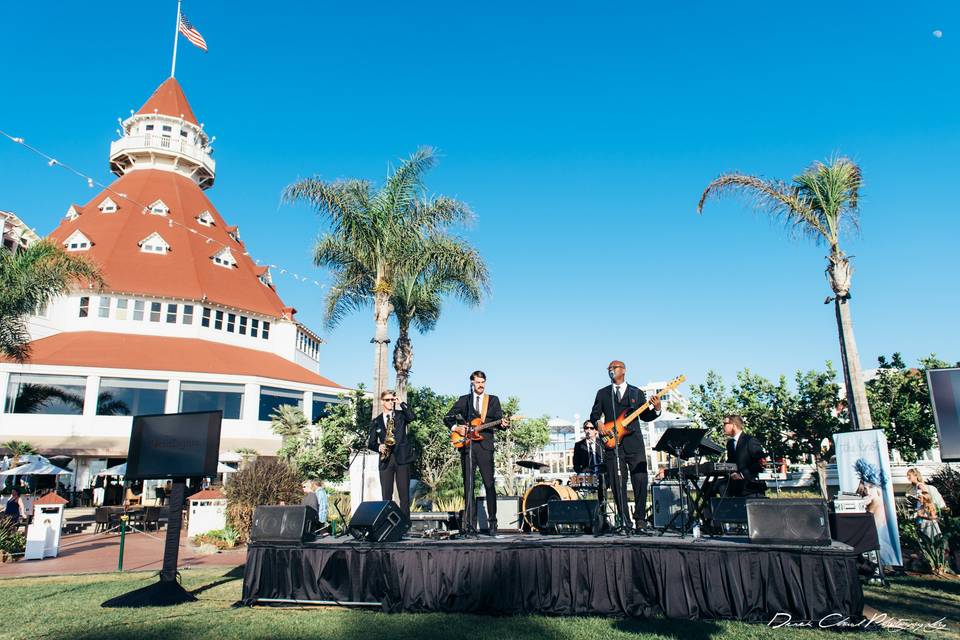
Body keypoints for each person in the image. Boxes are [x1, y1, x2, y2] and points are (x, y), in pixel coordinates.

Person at [590, 360, 660, 531]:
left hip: (634, 443)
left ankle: (640, 520)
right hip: (613, 443)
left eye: (614, 368)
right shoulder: (602, 393)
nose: (611, 370)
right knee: (617, 482)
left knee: (641, 479)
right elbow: (595, 414)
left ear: (624, 370)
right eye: (609, 369)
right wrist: (599, 424)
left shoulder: (636, 392)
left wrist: (657, 408)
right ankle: (625, 522)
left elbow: (645, 416)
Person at [444, 370, 509, 536]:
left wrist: (504, 424)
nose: (480, 385)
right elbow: (448, 417)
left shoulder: (493, 400)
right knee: (469, 486)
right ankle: (469, 526)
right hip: (467, 446)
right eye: (477, 382)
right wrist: (456, 427)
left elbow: (500, 421)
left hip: (485, 447)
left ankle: (493, 524)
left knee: (489, 485)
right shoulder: (464, 400)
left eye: (483, 382)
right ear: (472, 383)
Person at [368, 390, 417, 520]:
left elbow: (412, 417)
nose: (390, 402)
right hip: (386, 460)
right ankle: (388, 524)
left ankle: (405, 524)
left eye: (392, 399)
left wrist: (401, 403)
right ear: (382, 401)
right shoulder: (376, 421)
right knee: (386, 495)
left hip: (402, 458)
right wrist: (379, 446)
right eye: (388, 400)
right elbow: (371, 443)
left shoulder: (401, 415)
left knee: (404, 495)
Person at [722, 415, 767, 497]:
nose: (723, 426)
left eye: (725, 424)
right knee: (713, 486)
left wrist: (742, 475)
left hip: (750, 485)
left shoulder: (750, 441)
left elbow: (761, 463)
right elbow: (730, 463)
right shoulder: (730, 444)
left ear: (733, 425)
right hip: (735, 484)